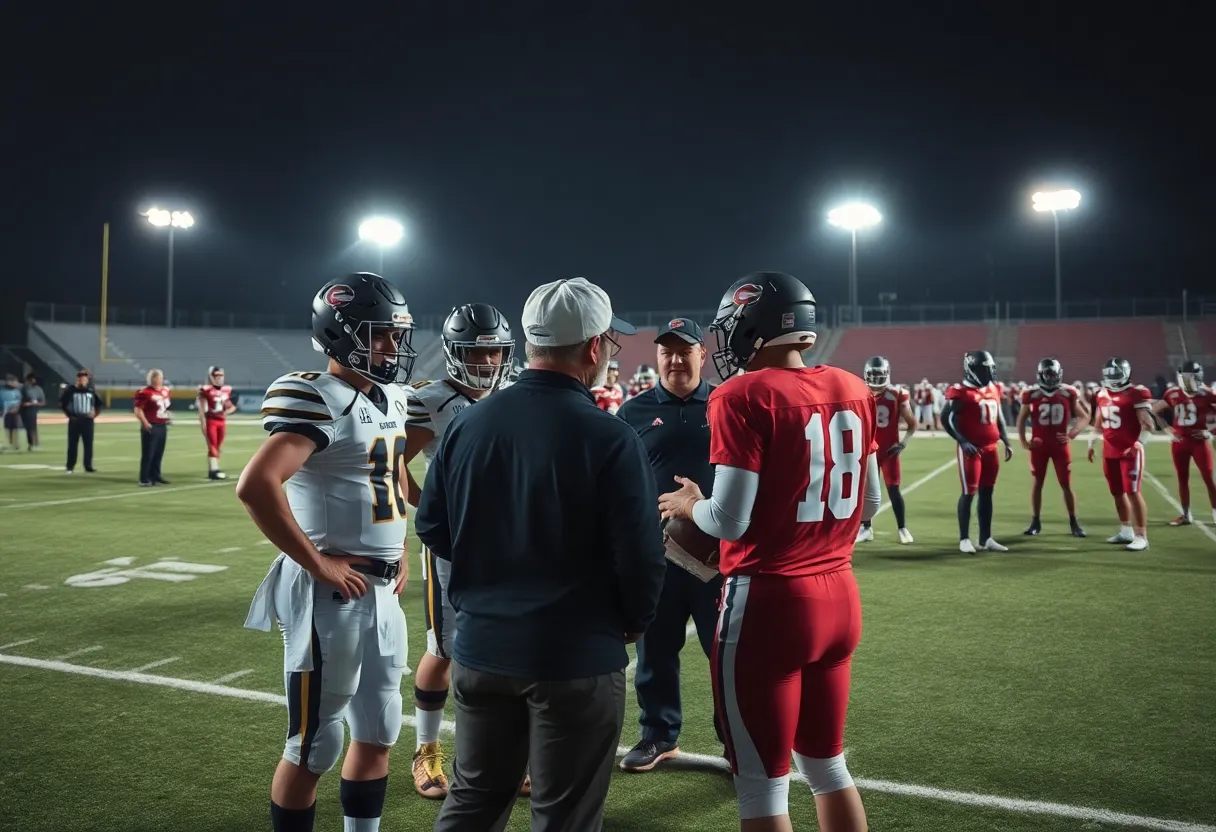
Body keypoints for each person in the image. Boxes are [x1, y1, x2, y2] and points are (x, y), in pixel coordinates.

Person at [417, 277, 665, 832]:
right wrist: (631, 621)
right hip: (573, 657)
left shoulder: (467, 424)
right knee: (563, 818)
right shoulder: (609, 435)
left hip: (480, 650)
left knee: (473, 805)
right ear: (594, 347)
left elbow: (432, 524)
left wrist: (491, 573)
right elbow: (642, 557)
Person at [658, 272, 877, 832]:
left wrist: (689, 507)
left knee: (762, 786)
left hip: (769, 603)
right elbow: (870, 502)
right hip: (840, 596)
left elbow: (728, 519)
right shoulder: (854, 386)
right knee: (828, 767)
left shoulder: (742, 393)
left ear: (753, 327)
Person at [239, 273, 417, 832]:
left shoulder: (390, 396)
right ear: (338, 334)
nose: (392, 346)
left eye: (395, 334)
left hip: (380, 586)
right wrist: (317, 563)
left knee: (380, 730)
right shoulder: (318, 395)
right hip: (329, 591)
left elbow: (389, 478)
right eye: (379, 334)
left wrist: (401, 547)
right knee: (314, 744)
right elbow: (255, 484)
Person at [400, 302, 518, 800]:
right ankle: (425, 749)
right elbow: (390, 465)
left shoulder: (514, 395)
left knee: (509, 648)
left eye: (495, 350)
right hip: (452, 545)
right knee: (444, 649)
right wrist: (432, 510)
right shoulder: (430, 400)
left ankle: (508, 755)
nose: (488, 360)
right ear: (453, 351)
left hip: (510, 543)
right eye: (477, 350)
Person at [616, 317, 724, 773]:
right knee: (655, 650)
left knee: (725, 653)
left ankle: (737, 738)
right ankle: (658, 735)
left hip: (720, 554)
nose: (676, 359)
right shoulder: (633, 411)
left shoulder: (726, 402)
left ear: (702, 354)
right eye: (668, 351)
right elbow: (621, 481)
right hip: (658, 555)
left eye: (686, 350)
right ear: (657, 356)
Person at [942, 351, 1014, 554]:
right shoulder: (961, 392)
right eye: (984, 369)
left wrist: (1006, 441)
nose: (988, 372)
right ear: (971, 369)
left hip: (992, 449)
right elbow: (946, 419)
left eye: (989, 368)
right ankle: (964, 538)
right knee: (969, 493)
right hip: (972, 451)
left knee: (987, 493)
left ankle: (986, 538)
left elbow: (999, 418)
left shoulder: (994, 388)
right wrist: (963, 441)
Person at [1088, 358, 1156, 551]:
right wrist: (1092, 439)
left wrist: (1138, 443)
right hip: (1109, 449)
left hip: (1129, 450)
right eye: (1110, 374)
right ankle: (1126, 530)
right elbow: (1099, 420)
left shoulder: (1137, 392)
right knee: (1116, 491)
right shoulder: (1101, 393)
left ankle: (1141, 535)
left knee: (1133, 492)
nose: (1113, 378)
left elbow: (1149, 425)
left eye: (1116, 374)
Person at [1016, 358, 1089, 537]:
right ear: (1041, 374)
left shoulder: (1068, 392)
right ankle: (1035, 522)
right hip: (1039, 446)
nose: (1050, 378)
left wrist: (1072, 433)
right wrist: (1023, 440)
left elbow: (1084, 417)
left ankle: (1074, 522)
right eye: (1047, 374)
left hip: (1059, 446)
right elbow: (1021, 418)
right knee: (1037, 484)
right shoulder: (1031, 394)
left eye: (1053, 374)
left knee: (1066, 484)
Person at [856, 356, 916, 544]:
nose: (875, 378)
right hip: (869, 450)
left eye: (879, 374)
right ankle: (866, 528)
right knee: (867, 492)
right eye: (873, 375)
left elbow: (912, 423)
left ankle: (902, 528)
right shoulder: (860, 392)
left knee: (893, 489)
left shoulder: (897, 393)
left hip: (889, 451)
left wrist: (903, 443)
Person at [1153, 360, 1216, 526]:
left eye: (1191, 377)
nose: (1187, 380)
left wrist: (1208, 432)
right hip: (1180, 441)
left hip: (1199, 442)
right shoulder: (1173, 393)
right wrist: (1166, 428)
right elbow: (1155, 410)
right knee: (1182, 478)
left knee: (1209, 479)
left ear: (1198, 377)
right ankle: (1186, 515)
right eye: (1185, 377)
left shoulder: (1208, 393)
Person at [133, 369, 172, 486]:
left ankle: (156, 475)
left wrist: (168, 417)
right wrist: (145, 422)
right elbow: (137, 409)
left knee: (158, 453)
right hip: (151, 425)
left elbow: (165, 408)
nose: (157, 380)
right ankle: (144, 478)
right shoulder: (144, 392)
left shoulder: (165, 390)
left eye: (159, 377)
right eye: (155, 378)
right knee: (148, 453)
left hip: (162, 425)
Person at [197, 365, 237, 480]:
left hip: (221, 421)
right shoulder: (206, 390)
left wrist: (227, 412)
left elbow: (231, 406)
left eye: (221, 375)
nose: (219, 378)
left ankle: (213, 469)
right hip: (211, 420)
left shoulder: (226, 390)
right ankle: (214, 470)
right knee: (212, 445)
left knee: (218, 446)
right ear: (211, 377)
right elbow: (201, 410)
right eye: (217, 376)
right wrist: (203, 424)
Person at [61, 369, 102, 473]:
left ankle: (88, 466)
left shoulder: (91, 391)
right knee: (72, 445)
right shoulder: (70, 390)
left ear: (87, 380)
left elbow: (99, 404)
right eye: (80, 378)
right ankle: (70, 466)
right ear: (77, 379)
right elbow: (63, 404)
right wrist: (70, 416)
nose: (82, 380)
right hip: (75, 420)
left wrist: (94, 415)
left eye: (84, 378)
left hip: (87, 420)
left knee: (88, 445)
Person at [20, 373, 45, 450]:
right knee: (27, 427)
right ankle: (32, 443)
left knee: (32, 427)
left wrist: (33, 403)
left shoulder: (38, 389)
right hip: (23, 410)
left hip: (33, 410)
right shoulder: (23, 388)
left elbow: (43, 402)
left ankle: (33, 444)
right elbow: (19, 399)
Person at [1, 375, 20, 451]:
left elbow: (19, 401)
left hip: (15, 413)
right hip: (4, 413)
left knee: (15, 428)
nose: (17, 383)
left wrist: (16, 409)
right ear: (10, 382)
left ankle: (15, 444)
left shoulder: (17, 391)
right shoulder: (2, 392)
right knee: (6, 429)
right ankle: (7, 443)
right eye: (15, 382)